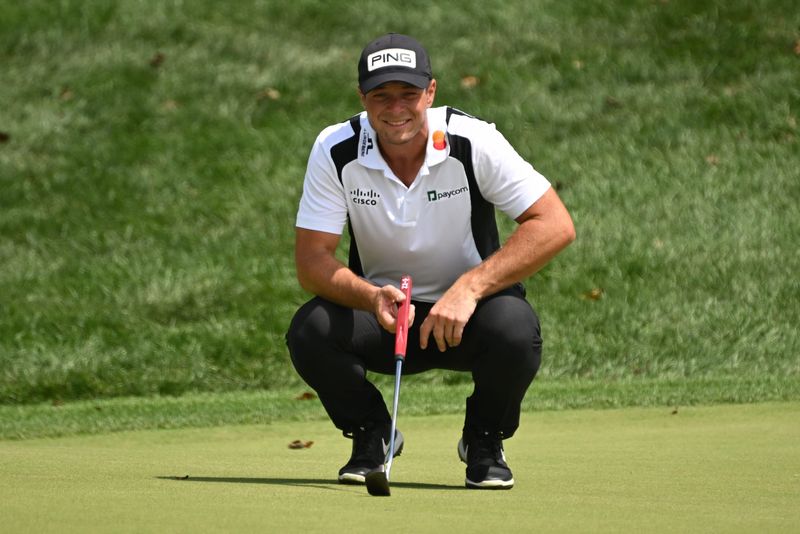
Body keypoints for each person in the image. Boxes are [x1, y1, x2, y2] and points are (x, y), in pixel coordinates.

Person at [286, 33, 575, 490]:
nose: (396, 108)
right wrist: (370, 296)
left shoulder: (472, 140)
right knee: (311, 330)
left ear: (431, 92)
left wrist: (469, 289)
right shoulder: (336, 148)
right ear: (362, 98)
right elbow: (311, 261)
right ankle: (372, 431)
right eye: (381, 96)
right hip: (384, 317)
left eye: (409, 93)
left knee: (516, 331)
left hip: (468, 317)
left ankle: (484, 438)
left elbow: (554, 224)